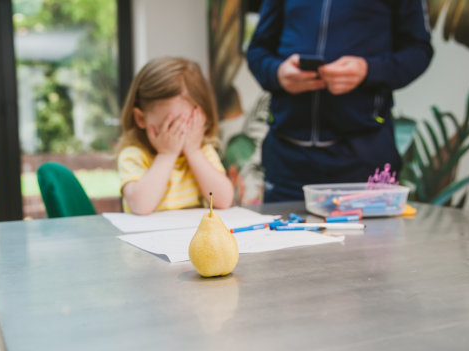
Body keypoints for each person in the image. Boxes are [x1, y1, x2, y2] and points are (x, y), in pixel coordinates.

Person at [246, 0, 434, 202]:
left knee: (371, 234)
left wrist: (369, 70)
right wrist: (277, 73)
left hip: (361, 156)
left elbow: (418, 50)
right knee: (279, 233)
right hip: (287, 157)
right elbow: (257, 50)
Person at [116, 57, 234, 215]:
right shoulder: (134, 156)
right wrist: (166, 155)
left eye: (188, 126)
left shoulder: (203, 152)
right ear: (141, 119)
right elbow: (140, 205)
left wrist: (193, 153)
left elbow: (224, 200)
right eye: (171, 127)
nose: (179, 138)